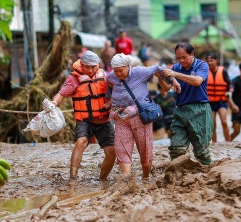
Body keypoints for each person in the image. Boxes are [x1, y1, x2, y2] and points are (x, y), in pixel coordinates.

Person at [105, 53, 180, 181]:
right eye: (115, 71)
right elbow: (109, 89)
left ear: (128, 66)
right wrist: (109, 102)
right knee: (121, 147)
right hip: (121, 118)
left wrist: (174, 81)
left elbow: (158, 68)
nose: (118, 73)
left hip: (140, 117)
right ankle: (126, 178)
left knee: (144, 149)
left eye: (121, 70)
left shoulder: (139, 72)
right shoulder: (111, 77)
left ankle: (145, 177)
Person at [52, 50, 116, 181]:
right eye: (87, 67)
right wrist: (53, 103)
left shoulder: (104, 75)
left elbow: (117, 90)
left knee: (112, 151)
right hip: (85, 120)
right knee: (81, 142)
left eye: (93, 66)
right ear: (81, 64)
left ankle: (102, 179)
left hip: (103, 120)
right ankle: (73, 178)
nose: (91, 70)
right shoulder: (74, 78)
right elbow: (61, 94)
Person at [162, 42, 213, 165]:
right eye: (178, 58)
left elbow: (197, 81)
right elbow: (165, 88)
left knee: (201, 150)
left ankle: (206, 172)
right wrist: (160, 76)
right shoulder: (175, 67)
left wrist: (175, 74)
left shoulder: (202, 65)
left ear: (192, 54)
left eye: (184, 57)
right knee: (176, 148)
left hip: (200, 109)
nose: (181, 60)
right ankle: (176, 175)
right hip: (181, 109)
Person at [205, 52, 233, 143]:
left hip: (221, 101)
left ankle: (228, 142)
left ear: (216, 60)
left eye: (211, 60)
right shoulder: (205, 72)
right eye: (208, 61)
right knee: (212, 124)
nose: (209, 62)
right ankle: (214, 143)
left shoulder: (223, 71)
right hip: (210, 102)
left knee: (224, 121)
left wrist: (229, 92)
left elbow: (230, 84)